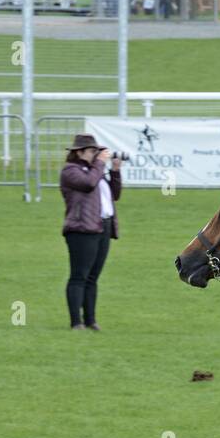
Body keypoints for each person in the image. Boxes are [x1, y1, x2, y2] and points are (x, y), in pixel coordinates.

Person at [60, 135, 123, 331]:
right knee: (79, 275)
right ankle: (76, 322)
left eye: (97, 151)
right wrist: (100, 164)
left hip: (102, 227)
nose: (96, 154)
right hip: (81, 229)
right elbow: (87, 184)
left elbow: (115, 195)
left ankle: (90, 320)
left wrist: (114, 171)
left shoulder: (96, 171)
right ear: (79, 152)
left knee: (93, 277)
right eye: (92, 151)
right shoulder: (71, 171)